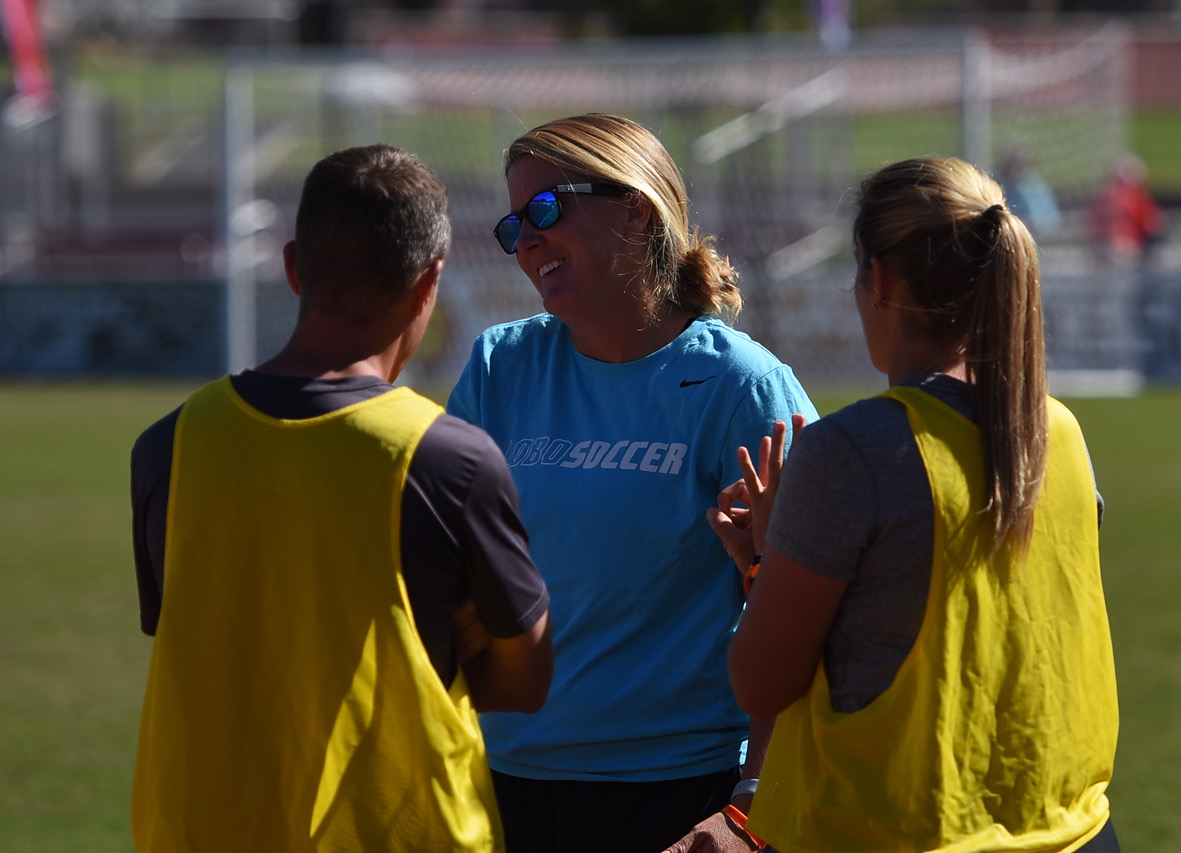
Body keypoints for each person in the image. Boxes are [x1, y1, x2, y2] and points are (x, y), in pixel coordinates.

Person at [129, 144, 553, 853]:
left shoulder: (168, 443)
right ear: (429, 285)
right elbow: (523, 681)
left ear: (294, 268)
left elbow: (190, 635)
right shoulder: (448, 457)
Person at [710, 156, 1121, 852]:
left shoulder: (854, 451)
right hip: (1075, 830)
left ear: (881, 277)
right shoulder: (1060, 432)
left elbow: (762, 681)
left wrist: (764, 558)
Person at [447, 113, 818, 853]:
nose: (528, 240)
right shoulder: (498, 367)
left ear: (634, 208)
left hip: (682, 794)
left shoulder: (739, 386)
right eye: (513, 225)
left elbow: (805, 614)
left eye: (546, 209)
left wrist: (752, 801)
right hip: (501, 783)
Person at [1091, 153, 1164, 267]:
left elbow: (1094, 225)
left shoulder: (1105, 197)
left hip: (1107, 248)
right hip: (1128, 248)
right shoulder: (1135, 198)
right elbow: (1151, 224)